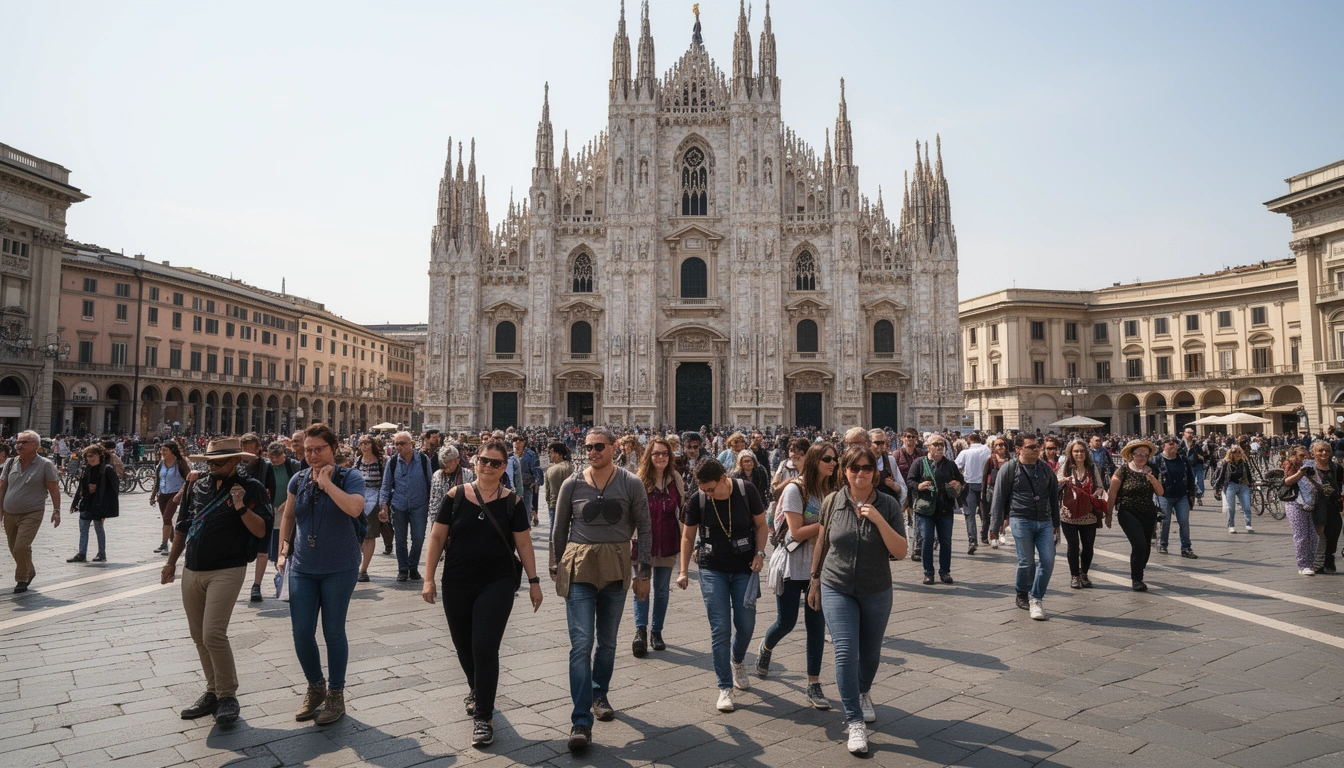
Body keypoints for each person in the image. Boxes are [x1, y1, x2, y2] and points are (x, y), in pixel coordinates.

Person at [423, 438, 543, 747]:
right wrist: (428, 578)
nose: (488, 467)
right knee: (464, 646)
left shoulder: (512, 502)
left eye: (496, 463)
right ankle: (476, 689)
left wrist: (534, 581)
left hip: (497, 582)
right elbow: (437, 539)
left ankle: (484, 717)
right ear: (474, 461)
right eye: (484, 461)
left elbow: (524, 543)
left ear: (505, 468)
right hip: (457, 581)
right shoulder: (455, 497)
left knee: (484, 647)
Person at [550, 427, 652, 753]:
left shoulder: (631, 482)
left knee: (607, 642)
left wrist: (644, 571)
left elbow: (645, 528)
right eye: (588, 447)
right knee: (581, 644)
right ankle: (581, 720)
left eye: (598, 446)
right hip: (579, 565)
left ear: (613, 447)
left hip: (617, 565)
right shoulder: (572, 483)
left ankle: (598, 692)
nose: (592, 452)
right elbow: (559, 527)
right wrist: (556, 566)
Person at [161, 437, 272, 725]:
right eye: (210, 462)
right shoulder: (196, 485)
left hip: (228, 568)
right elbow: (183, 526)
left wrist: (240, 507)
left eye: (220, 462)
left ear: (236, 460)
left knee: (213, 633)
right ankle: (212, 690)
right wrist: (171, 562)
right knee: (198, 636)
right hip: (193, 568)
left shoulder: (252, 489)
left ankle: (227, 696)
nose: (213, 467)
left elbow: (261, 531)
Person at [807, 445, 907, 755]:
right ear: (844, 472)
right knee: (845, 650)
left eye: (866, 468)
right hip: (836, 585)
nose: (860, 473)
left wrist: (878, 519)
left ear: (875, 472)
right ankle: (854, 721)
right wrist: (814, 580)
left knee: (871, 652)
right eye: (854, 468)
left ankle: (864, 691)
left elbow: (901, 551)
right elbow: (822, 540)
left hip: (876, 588)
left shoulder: (888, 505)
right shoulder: (832, 502)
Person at [277, 424, 367, 725]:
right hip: (302, 566)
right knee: (301, 632)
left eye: (319, 449)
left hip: (339, 566)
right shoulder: (298, 479)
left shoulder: (349, 476)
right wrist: (283, 549)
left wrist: (327, 484)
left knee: (333, 631)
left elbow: (355, 509)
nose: (312, 455)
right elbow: (289, 515)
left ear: (334, 448)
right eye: (308, 450)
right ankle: (315, 687)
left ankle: (336, 695)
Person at [676, 458, 766, 713]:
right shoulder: (698, 500)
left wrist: (760, 553)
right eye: (704, 489)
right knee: (720, 628)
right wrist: (683, 571)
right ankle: (724, 686)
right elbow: (688, 535)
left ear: (724, 478)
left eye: (711, 489)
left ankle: (737, 660)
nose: (708, 494)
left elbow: (761, 524)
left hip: (744, 567)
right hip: (711, 567)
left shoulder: (746, 491)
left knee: (746, 624)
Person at [758, 441, 837, 709]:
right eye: (828, 459)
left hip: (820, 567)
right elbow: (796, 532)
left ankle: (813, 684)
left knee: (816, 627)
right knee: (786, 622)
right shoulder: (795, 489)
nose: (833, 464)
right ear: (815, 460)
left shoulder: (832, 490)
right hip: (793, 564)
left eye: (834, 459)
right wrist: (826, 523)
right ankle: (766, 648)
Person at [990, 434, 1060, 619]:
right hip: (1021, 519)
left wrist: (1056, 524)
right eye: (1031, 447)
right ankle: (1022, 591)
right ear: (1018, 449)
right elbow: (998, 498)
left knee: (1048, 561)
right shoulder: (1009, 468)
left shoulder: (1046, 469)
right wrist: (994, 527)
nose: (1037, 450)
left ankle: (1036, 598)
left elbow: (1054, 497)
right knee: (1027, 561)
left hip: (1044, 521)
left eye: (1037, 446)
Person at [631, 436, 683, 657]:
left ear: (669, 456)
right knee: (642, 587)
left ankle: (656, 632)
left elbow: (683, 508)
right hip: (643, 543)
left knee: (662, 590)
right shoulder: (638, 480)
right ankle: (640, 631)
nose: (660, 457)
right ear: (649, 456)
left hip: (668, 541)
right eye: (656, 453)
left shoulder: (676, 479)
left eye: (664, 453)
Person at [1, 431, 61, 593]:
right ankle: (30, 570)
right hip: (9, 512)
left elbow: (53, 488)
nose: (19, 445)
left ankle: (22, 578)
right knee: (14, 547)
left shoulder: (45, 464)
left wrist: (57, 510)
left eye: (24, 442)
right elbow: (2, 488)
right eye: (18, 442)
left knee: (21, 546)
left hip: (32, 512)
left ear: (35, 445)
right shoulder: (10, 462)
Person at [906, 435, 964, 585]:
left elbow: (961, 480)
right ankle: (928, 573)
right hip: (925, 509)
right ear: (928, 446)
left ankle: (945, 572)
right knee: (927, 540)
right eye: (936, 444)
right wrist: (918, 486)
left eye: (942, 444)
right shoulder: (919, 462)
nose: (939, 447)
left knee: (945, 541)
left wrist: (956, 484)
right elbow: (910, 480)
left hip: (945, 508)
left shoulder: (950, 464)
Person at [1107, 440, 1163, 590]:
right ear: (1131, 455)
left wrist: (1153, 480)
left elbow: (1160, 492)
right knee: (1139, 544)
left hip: (1148, 513)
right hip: (1128, 512)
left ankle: (1139, 568)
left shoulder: (1152, 469)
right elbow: (1112, 492)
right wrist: (1108, 514)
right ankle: (1136, 579)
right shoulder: (1123, 470)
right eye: (1139, 454)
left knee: (1146, 548)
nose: (1142, 458)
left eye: (1145, 455)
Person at [380, 431, 433, 582]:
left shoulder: (423, 460)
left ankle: (413, 566)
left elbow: (430, 482)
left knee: (418, 538)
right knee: (400, 539)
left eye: (402, 443)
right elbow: (385, 485)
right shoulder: (393, 462)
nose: (398, 447)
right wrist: (384, 506)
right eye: (396, 444)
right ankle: (403, 569)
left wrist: (432, 505)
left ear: (411, 444)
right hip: (399, 504)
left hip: (419, 504)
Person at [1283, 440, 1342, 575]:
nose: (1324, 453)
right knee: (1308, 534)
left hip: (1326, 503)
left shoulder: (1335, 467)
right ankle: (1310, 564)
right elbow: (1287, 481)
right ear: (1314, 453)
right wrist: (1301, 472)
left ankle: (1324, 561)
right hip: (1305, 503)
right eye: (1320, 450)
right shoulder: (1300, 465)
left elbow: (1336, 484)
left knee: (1329, 533)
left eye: (1326, 450)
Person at [1057, 440, 1109, 590]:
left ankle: (1084, 574)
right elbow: (1054, 481)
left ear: (1086, 453)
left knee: (1088, 546)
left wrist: (1097, 493)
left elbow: (1100, 486)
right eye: (1076, 451)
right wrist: (1063, 480)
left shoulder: (1092, 468)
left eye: (1082, 451)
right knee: (1073, 546)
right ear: (1070, 453)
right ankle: (1074, 576)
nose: (1079, 454)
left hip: (1088, 512)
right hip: (1069, 513)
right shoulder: (1066, 467)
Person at [68, 443, 118, 563]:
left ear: (99, 455)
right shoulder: (86, 469)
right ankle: (82, 553)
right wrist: (75, 503)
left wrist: (98, 488)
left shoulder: (107, 469)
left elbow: (115, 488)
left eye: (92, 456)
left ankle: (101, 553)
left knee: (98, 528)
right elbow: (81, 486)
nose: (90, 459)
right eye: (88, 456)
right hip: (86, 502)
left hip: (99, 503)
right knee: (83, 528)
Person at [1153, 437, 1198, 559]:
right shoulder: (1157, 460)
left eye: (1176, 444)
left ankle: (1186, 548)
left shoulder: (1182, 459)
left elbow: (1190, 476)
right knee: (1165, 521)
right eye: (1171, 444)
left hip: (1181, 495)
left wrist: (1192, 493)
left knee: (1184, 521)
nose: (1175, 446)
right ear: (1164, 446)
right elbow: (1152, 476)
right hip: (1164, 495)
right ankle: (1163, 544)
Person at [356, 435, 390, 582]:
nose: (364, 446)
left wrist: (384, 505)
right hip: (359, 499)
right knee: (358, 535)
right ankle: (356, 565)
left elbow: (385, 484)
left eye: (367, 443)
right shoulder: (357, 461)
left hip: (375, 499)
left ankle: (363, 570)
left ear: (372, 445)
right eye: (361, 443)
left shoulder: (382, 461)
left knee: (370, 535)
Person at [954, 433, 990, 555]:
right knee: (985, 512)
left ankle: (972, 541)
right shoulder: (987, 450)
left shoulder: (965, 453)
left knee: (970, 514)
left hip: (969, 485)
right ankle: (984, 535)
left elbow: (956, 467)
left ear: (969, 441)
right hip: (984, 485)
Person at [151, 441, 188, 555]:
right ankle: (176, 541)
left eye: (165, 450)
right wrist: (152, 496)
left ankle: (164, 544)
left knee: (167, 518)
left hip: (175, 493)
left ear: (172, 450)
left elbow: (188, 478)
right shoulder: (161, 464)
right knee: (166, 519)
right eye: (162, 450)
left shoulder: (180, 463)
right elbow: (157, 480)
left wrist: (183, 493)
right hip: (162, 494)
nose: (162, 452)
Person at [894, 429, 926, 559]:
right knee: (899, 521)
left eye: (913, 437)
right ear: (902, 438)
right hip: (902, 492)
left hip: (917, 491)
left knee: (917, 521)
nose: (910, 439)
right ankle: (898, 547)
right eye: (908, 436)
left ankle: (916, 548)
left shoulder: (921, 455)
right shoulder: (897, 455)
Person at [1211, 445, 1254, 534]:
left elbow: (1249, 474)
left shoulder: (1244, 462)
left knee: (1247, 507)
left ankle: (1248, 524)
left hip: (1243, 485)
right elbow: (1220, 476)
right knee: (1231, 508)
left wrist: (1251, 483)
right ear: (1231, 453)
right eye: (1235, 452)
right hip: (1231, 485)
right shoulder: (1226, 463)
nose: (1238, 454)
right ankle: (1231, 526)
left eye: (1239, 452)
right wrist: (1217, 489)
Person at [510, 435, 542, 527]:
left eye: (520, 440)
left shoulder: (531, 454)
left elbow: (537, 468)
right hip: (513, 487)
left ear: (525, 442)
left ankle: (526, 529)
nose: (518, 442)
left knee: (527, 509)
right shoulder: (509, 455)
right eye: (515, 440)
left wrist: (535, 481)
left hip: (527, 486)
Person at [544, 442, 573, 524]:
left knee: (554, 530)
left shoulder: (550, 470)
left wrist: (549, 503)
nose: (550, 455)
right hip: (568, 504)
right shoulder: (570, 468)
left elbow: (547, 491)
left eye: (552, 453)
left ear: (559, 454)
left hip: (554, 503)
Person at [1179, 426, 1209, 506]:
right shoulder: (1181, 443)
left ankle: (1199, 496)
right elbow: (1180, 453)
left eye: (1192, 433)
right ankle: (1190, 496)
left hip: (1198, 464)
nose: (1191, 434)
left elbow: (1202, 454)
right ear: (1184, 433)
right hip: (1188, 465)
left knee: (1200, 481)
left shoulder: (1196, 443)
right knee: (1190, 481)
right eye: (1189, 433)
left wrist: (1201, 456)